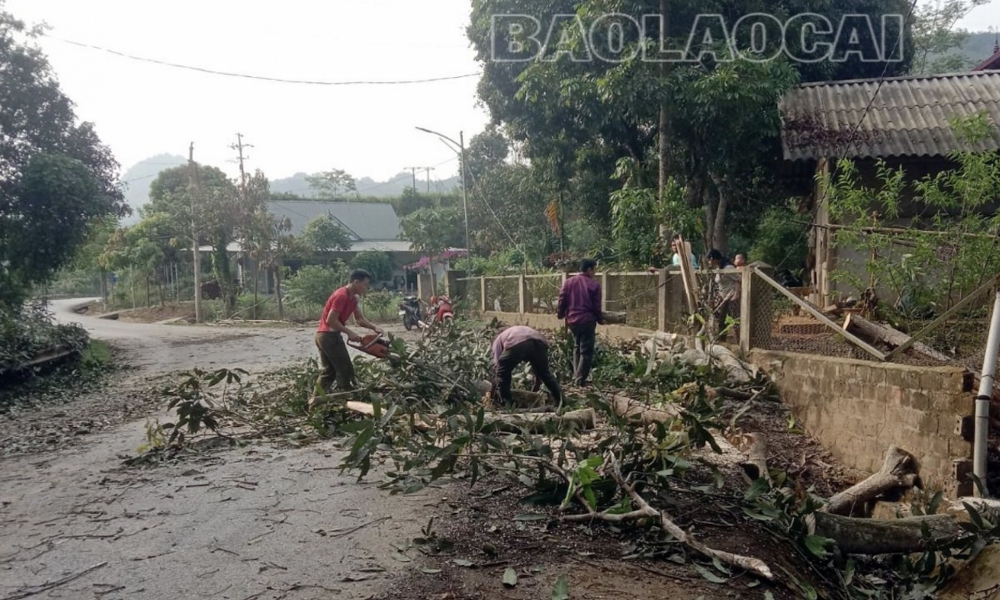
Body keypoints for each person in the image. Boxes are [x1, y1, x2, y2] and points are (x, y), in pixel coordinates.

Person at [311, 269, 383, 409]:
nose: (366, 288)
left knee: (328, 372)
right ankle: (347, 402)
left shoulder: (354, 298)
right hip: (328, 336)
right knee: (346, 371)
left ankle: (314, 403)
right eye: (364, 285)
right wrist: (349, 332)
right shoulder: (341, 295)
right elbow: (331, 320)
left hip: (326, 336)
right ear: (356, 282)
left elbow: (360, 319)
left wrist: (374, 328)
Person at [490, 325, 563, 407]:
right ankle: (561, 401)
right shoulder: (514, 330)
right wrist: (536, 385)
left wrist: (492, 394)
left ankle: (506, 404)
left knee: (502, 371)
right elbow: (538, 369)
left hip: (518, 341)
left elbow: (497, 368)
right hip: (540, 341)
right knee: (544, 373)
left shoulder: (497, 341)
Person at [557, 258, 603, 387]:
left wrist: (560, 314)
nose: (594, 272)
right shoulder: (594, 285)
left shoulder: (568, 282)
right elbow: (596, 306)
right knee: (586, 351)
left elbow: (562, 300)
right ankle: (580, 380)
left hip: (572, 321)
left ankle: (576, 376)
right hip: (587, 320)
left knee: (576, 347)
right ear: (589, 269)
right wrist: (600, 319)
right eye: (594, 269)